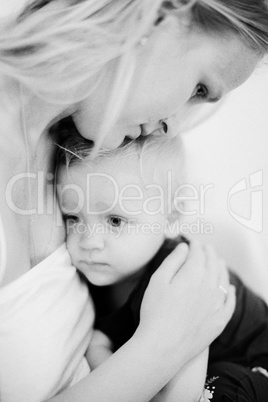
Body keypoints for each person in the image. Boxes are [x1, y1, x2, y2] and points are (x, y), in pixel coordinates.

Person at [0, 0, 268, 400]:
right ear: (162, 14)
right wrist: (166, 343)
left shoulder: (67, 144)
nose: (172, 125)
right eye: (200, 88)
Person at [56, 129, 268, 402]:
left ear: (170, 218)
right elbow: (103, 343)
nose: (88, 240)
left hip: (254, 365)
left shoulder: (179, 276)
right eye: (73, 217)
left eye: (115, 221)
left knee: (223, 386)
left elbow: (180, 394)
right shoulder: (101, 272)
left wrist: (101, 350)